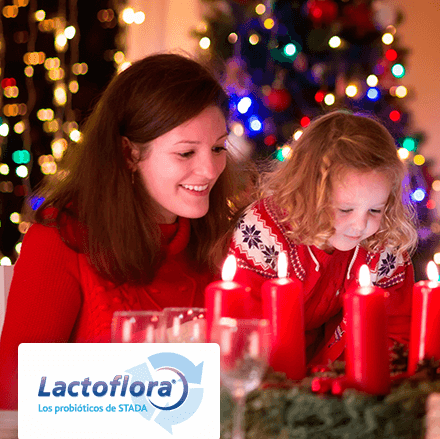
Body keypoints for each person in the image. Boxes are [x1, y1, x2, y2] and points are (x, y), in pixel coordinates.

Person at [0, 53, 239, 409]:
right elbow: (14, 390)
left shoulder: (221, 244)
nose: (209, 169)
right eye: (186, 153)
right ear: (129, 153)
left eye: (218, 148)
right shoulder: (61, 238)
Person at [228, 111, 417, 368]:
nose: (360, 225)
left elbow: (396, 327)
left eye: (375, 210)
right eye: (344, 209)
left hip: (339, 377)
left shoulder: (383, 242)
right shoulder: (263, 231)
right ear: (308, 193)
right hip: (269, 370)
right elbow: (243, 321)